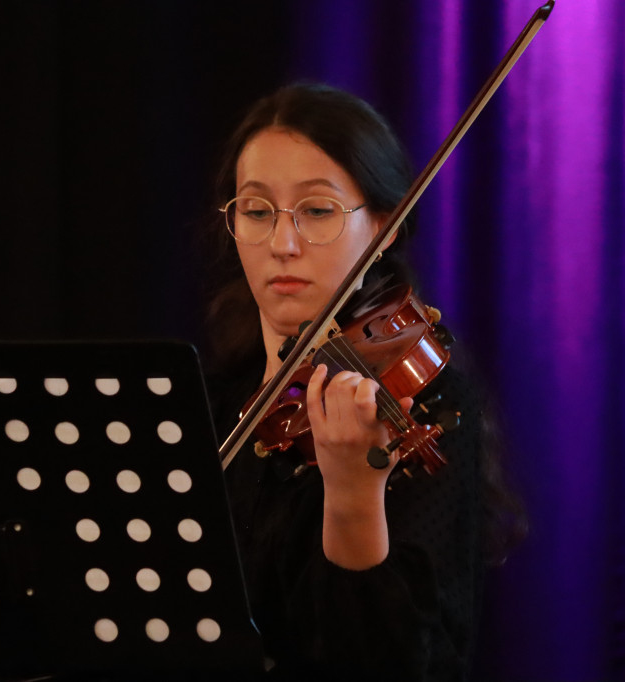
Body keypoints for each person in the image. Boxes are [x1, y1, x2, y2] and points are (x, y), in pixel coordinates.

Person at [203, 83, 524, 680]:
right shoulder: (215, 398)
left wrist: (353, 494)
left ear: (384, 226)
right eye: (256, 210)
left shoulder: (427, 403)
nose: (282, 244)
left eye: (318, 210)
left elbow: (396, 663)